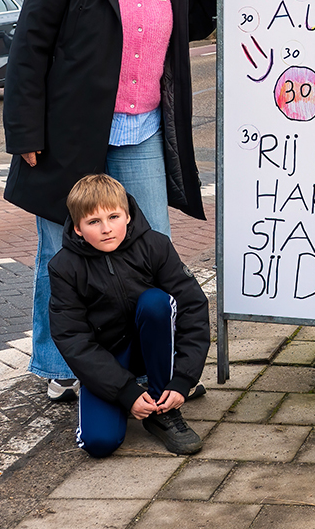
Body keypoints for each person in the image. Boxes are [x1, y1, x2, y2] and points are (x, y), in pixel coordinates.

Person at [3, 0, 236, 402]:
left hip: (142, 130)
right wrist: (24, 130)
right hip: (70, 134)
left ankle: (157, 362)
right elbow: (31, 42)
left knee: (153, 245)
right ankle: (58, 365)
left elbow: (193, 24)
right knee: (60, 251)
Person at [49, 174, 210, 456]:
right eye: (93, 222)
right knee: (100, 443)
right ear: (77, 228)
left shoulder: (155, 246)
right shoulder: (64, 267)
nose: (107, 229)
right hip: (108, 357)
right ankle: (133, 397)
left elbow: (193, 307)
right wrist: (125, 392)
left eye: (113, 217)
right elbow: (72, 338)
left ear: (128, 215)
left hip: (153, 346)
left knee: (156, 302)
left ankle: (162, 409)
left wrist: (184, 378)